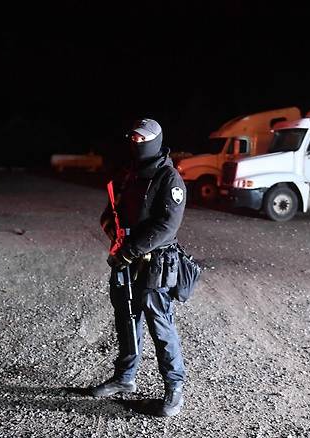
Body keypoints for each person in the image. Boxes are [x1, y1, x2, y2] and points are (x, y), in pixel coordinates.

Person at [92, 118, 187, 417]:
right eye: (132, 138)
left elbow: (166, 226)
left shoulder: (169, 178)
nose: (136, 143)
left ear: (156, 141)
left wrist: (130, 251)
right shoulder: (129, 174)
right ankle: (125, 378)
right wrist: (111, 229)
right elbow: (112, 210)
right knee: (126, 322)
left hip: (155, 262)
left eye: (142, 139)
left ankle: (174, 390)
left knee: (161, 326)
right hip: (126, 261)